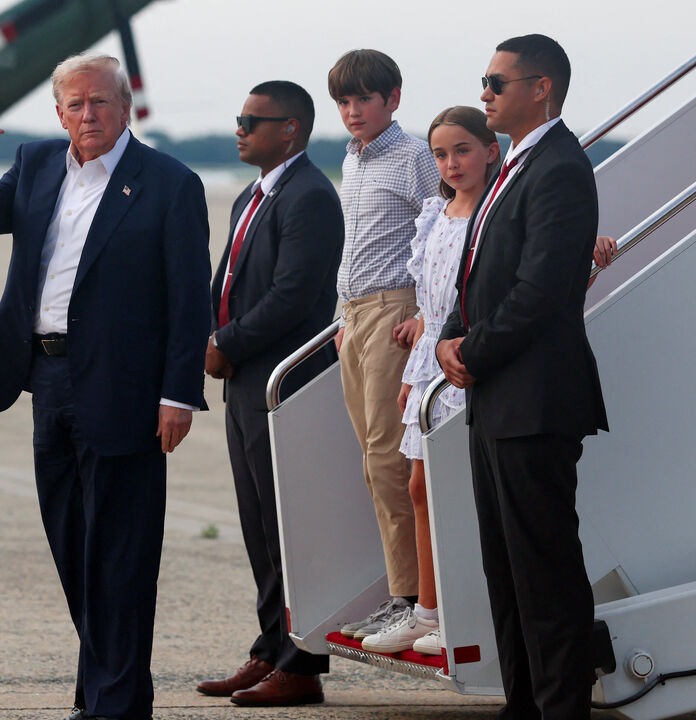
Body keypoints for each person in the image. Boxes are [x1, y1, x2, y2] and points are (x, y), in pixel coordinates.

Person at [0, 54, 211, 720]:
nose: (89, 116)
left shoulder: (169, 183)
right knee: (75, 553)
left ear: (126, 108)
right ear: (59, 113)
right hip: (47, 380)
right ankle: (108, 697)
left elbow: (188, 299)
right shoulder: (35, 164)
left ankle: (112, 706)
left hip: (128, 390)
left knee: (121, 556)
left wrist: (179, 393)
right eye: (75, 105)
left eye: (101, 103)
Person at [437, 34, 607, 719]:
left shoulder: (561, 167)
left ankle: (560, 706)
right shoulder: (514, 165)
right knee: (504, 567)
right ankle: (523, 705)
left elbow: (541, 291)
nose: (484, 93)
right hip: (496, 397)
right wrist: (452, 333)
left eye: (495, 82)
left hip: (535, 398)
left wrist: (470, 353)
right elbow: (481, 268)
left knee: (545, 570)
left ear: (541, 88)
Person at [196, 81, 342, 706]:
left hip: (283, 382)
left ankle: (301, 665)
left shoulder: (308, 196)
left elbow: (293, 296)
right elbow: (231, 278)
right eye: (239, 118)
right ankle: (269, 649)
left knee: (288, 528)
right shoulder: (252, 198)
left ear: (290, 129)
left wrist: (225, 342)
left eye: (251, 121)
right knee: (257, 524)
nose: (239, 129)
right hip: (247, 381)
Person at [360, 106, 497, 655]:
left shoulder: (495, 210)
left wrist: (594, 242)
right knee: (419, 488)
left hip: (463, 366)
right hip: (428, 364)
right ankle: (427, 610)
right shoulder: (436, 214)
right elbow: (429, 298)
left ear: (490, 149)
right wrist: (414, 370)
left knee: (457, 490)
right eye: (440, 154)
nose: (450, 163)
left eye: (462, 150)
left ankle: (461, 609)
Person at [326, 49, 441, 641]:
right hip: (356, 318)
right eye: (343, 102)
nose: (351, 111)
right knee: (374, 463)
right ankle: (404, 592)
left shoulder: (415, 155)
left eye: (362, 99)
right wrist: (343, 317)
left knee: (390, 459)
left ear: (392, 98)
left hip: (396, 313)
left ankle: (412, 599)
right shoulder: (354, 158)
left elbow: (443, 227)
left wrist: (425, 312)